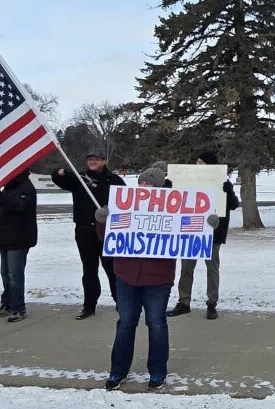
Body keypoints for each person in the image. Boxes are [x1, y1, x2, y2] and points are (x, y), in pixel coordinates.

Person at [95, 164, 219, 390]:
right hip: (126, 275)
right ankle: (118, 371)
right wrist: (102, 220)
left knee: (157, 324)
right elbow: (107, 239)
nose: (143, 189)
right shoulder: (123, 207)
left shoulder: (175, 210)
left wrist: (209, 225)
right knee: (125, 324)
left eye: (149, 186)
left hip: (158, 278)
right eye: (141, 184)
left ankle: (158, 372)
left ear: (160, 189)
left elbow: (191, 234)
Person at [52, 151, 125, 319]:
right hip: (85, 230)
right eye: (90, 159)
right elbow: (57, 178)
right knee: (89, 270)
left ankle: (120, 302)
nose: (92, 162)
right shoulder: (80, 179)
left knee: (112, 269)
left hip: (107, 231)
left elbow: (125, 202)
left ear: (104, 162)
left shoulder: (114, 180)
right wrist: (60, 171)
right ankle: (89, 305)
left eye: (96, 159)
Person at [170, 151, 240, 320]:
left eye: (201, 162)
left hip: (213, 232)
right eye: (197, 162)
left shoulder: (222, 181)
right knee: (186, 268)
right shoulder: (188, 180)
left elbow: (233, 205)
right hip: (191, 230)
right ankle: (183, 302)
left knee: (212, 268)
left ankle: (211, 303)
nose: (198, 165)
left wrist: (229, 192)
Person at [0, 170, 38, 322]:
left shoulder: (26, 186)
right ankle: (8, 303)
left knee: (14, 275)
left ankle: (19, 307)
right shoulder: (9, 187)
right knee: (5, 272)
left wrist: (2, 197)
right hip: (4, 235)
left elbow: (21, 206)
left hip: (19, 237)